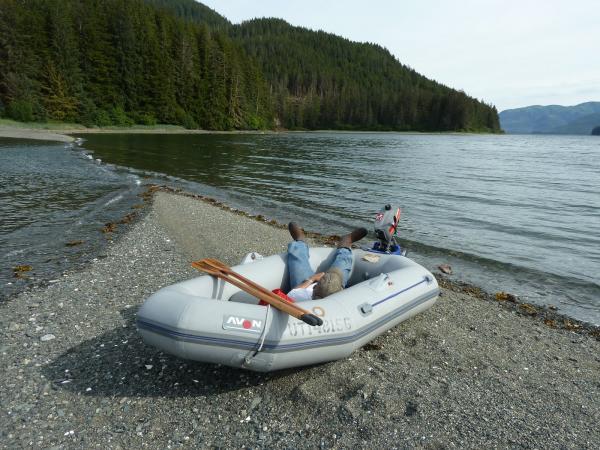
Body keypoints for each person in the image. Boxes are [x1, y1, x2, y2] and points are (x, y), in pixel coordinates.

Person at [285, 222, 368, 301]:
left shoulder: (301, 297)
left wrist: (311, 279)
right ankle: (345, 243)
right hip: (335, 287)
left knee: (297, 256)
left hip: (308, 286)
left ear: (314, 289)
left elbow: (293, 293)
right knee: (343, 260)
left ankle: (300, 241)